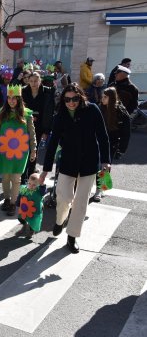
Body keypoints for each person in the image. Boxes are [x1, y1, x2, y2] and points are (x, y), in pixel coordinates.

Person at [40, 84, 111, 253]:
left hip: (89, 163)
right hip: (68, 163)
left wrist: (106, 161)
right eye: (67, 99)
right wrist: (46, 169)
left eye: (74, 99)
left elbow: (102, 135)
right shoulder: (60, 116)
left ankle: (71, 237)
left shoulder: (92, 110)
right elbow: (53, 143)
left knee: (80, 202)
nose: (71, 103)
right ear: (63, 100)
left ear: (80, 97)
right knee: (63, 196)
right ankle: (59, 220)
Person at [0, 85, 37, 216]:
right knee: (5, 177)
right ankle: (7, 199)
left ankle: (13, 203)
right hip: (3, 150)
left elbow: (32, 134)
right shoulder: (0, 113)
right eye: (9, 98)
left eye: (14, 98)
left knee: (16, 178)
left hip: (20, 152)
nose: (11, 101)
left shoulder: (27, 114)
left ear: (19, 99)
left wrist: (34, 150)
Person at [93, 87, 130, 202]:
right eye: (102, 96)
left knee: (104, 166)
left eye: (105, 97)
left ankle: (100, 189)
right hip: (97, 141)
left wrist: (121, 149)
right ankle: (96, 186)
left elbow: (126, 133)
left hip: (112, 143)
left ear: (112, 98)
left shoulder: (121, 111)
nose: (102, 99)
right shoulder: (99, 108)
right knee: (95, 165)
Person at [21, 72, 55, 182]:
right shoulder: (23, 91)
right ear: (28, 81)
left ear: (40, 80)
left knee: (34, 149)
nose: (33, 83)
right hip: (25, 123)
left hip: (40, 125)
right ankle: (23, 175)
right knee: (24, 148)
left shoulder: (47, 92)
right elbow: (20, 107)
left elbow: (49, 112)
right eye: (31, 81)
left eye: (36, 81)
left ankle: (30, 174)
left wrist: (46, 131)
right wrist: (28, 116)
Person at [16, 172, 46, 238]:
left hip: (35, 210)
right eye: (29, 183)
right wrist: (18, 202)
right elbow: (20, 195)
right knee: (20, 218)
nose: (31, 186)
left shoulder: (39, 191)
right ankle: (24, 224)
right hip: (24, 209)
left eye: (34, 185)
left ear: (38, 185)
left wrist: (42, 185)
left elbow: (43, 191)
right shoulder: (24, 188)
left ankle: (31, 230)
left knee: (34, 221)